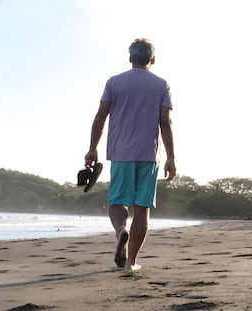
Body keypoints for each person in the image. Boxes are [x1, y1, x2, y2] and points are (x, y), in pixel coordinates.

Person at [84, 38, 176, 271]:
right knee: (141, 208)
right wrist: (171, 158)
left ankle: (120, 231)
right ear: (152, 60)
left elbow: (100, 116)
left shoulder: (114, 82)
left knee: (117, 202)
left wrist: (92, 148)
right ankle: (130, 263)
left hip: (121, 152)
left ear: (130, 58)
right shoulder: (161, 85)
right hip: (148, 154)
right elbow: (165, 122)